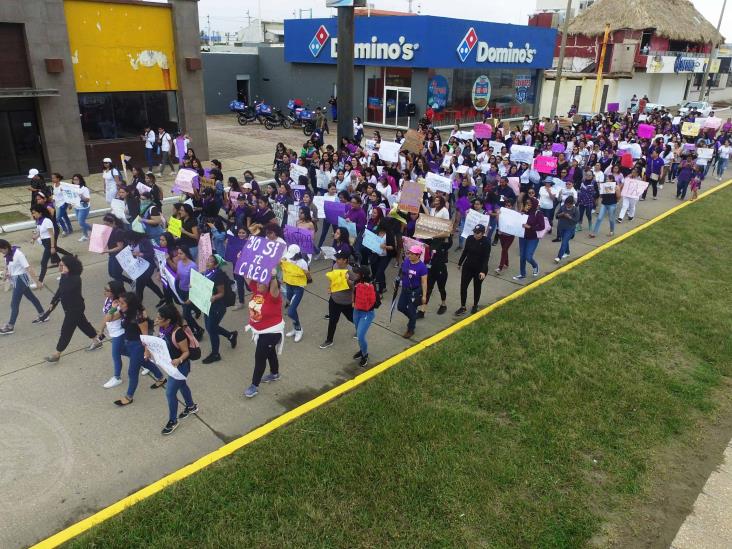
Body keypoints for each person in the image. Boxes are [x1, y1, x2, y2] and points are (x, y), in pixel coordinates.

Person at [148, 304, 199, 435]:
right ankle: (191, 406)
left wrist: (179, 360)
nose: (157, 319)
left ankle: (173, 421)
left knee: (170, 392)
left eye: (159, 318)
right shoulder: (162, 328)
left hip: (181, 366)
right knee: (182, 385)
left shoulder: (178, 333)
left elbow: (186, 352)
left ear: (168, 320)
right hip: (170, 365)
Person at [39, 255, 99, 363]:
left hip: (75, 308)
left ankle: (57, 354)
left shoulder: (75, 278)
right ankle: (97, 341)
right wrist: (53, 302)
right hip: (69, 307)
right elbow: (59, 290)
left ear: (70, 266)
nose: (60, 267)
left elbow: (64, 290)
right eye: (60, 265)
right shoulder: (65, 276)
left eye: (62, 265)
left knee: (66, 330)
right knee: (83, 324)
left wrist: (55, 302)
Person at [113, 292, 166, 406]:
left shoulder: (139, 317)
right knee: (142, 361)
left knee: (132, 372)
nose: (120, 305)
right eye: (119, 302)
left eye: (122, 303)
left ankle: (129, 397)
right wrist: (113, 309)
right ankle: (161, 378)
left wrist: (147, 351)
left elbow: (145, 336)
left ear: (130, 304)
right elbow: (110, 318)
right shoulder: (124, 312)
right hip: (128, 343)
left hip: (138, 345)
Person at [243, 269, 284, 399]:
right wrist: (243, 260)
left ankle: (254, 386)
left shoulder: (273, 296)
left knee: (260, 357)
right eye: (258, 282)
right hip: (261, 332)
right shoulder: (257, 290)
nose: (258, 284)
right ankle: (275, 373)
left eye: (262, 282)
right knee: (270, 352)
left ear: (268, 284)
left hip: (271, 333)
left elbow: (274, 285)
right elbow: (246, 275)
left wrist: (272, 276)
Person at [87, 280, 127, 389]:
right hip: (112, 331)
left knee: (116, 354)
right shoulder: (108, 299)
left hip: (119, 332)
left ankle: (117, 377)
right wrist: (101, 330)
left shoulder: (120, 304)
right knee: (125, 351)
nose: (104, 291)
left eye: (107, 290)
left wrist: (113, 308)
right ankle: (144, 361)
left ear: (114, 292)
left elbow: (110, 317)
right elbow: (106, 316)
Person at [0, 240, 45, 334]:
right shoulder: (8, 254)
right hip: (15, 279)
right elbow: (7, 266)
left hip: (21, 280)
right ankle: (43, 314)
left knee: (14, 303)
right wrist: (6, 274)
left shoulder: (18, 254)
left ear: (5, 247)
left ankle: (10, 326)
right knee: (31, 297)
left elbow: (28, 268)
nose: (1, 252)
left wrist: (37, 282)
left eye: (1, 250)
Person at [201, 254, 237, 364]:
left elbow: (221, 293)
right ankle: (230, 335)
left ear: (216, 265)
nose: (207, 263)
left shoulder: (218, 276)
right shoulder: (207, 272)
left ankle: (215, 354)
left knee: (212, 330)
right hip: (207, 305)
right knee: (210, 327)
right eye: (207, 260)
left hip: (217, 307)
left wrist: (214, 297)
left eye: (211, 261)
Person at [320, 251, 355, 349]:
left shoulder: (351, 271)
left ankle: (360, 329)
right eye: (337, 258)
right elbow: (333, 278)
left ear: (345, 260)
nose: (337, 260)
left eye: (339, 259)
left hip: (346, 302)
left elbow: (355, 286)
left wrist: (348, 281)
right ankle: (329, 340)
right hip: (334, 299)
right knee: (333, 320)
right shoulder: (335, 265)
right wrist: (331, 287)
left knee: (351, 318)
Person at [455, 224, 490, 316]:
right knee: (463, 286)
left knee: (477, 287)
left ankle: (475, 305)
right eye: (474, 232)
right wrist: (460, 263)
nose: (475, 234)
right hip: (468, 266)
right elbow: (465, 251)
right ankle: (463, 307)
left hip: (479, 268)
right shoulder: (470, 238)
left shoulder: (486, 242)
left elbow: (486, 258)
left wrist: (483, 271)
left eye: (477, 233)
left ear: (482, 233)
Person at [30, 205, 70, 285]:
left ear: (40, 213)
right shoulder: (39, 221)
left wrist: (52, 247)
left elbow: (52, 235)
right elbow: (39, 232)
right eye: (32, 213)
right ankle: (66, 273)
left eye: (34, 213)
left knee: (43, 263)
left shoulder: (47, 221)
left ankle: (40, 281)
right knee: (58, 261)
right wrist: (34, 238)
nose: (33, 215)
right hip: (45, 243)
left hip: (49, 243)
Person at [281, 244, 311, 343]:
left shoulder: (302, 263)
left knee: (290, 311)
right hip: (289, 286)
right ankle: (295, 328)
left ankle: (299, 330)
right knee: (292, 310)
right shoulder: (287, 258)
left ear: (298, 254)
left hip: (298, 289)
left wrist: (308, 276)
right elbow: (281, 263)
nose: (291, 257)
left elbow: (308, 277)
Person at [397, 245, 428, 339]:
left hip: (415, 292)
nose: (409, 255)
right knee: (400, 307)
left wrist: (424, 296)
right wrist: (398, 280)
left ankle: (411, 329)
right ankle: (412, 317)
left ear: (418, 255)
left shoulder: (422, 267)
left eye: (412, 254)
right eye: (409, 253)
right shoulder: (406, 261)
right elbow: (402, 272)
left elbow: (424, 282)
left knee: (411, 309)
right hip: (405, 289)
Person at [352, 266, 378, 367]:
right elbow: (353, 293)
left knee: (360, 335)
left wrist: (366, 288)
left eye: (357, 273)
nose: (355, 274)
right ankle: (362, 350)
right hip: (356, 311)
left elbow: (374, 301)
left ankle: (365, 355)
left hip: (367, 313)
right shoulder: (356, 282)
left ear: (362, 275)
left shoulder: (371, 285)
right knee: (359, 335)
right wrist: (353, 302)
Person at [513, 197, 544, 281]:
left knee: (528, 256)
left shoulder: (539, 214)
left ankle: (535, 265)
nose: (527, 206)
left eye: (529, 204)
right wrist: (521, 214)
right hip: (522, 237)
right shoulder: (525, 212)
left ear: (534, 205)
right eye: (527, 204)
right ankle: (522, 274)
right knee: (522, 256)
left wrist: (530, 227)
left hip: (533, 238)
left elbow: (542, 226)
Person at [554, 196, 580, 263]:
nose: (567, 206)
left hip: (569, 229)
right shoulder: (562, 207)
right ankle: (567, 252)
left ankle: (558, 257)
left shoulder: (575, 210)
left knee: (564, 242)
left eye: (569, 205)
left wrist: (569, 217)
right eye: (566, 204)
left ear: (572, 204)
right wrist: (561, 214)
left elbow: (576, 220)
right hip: (561, 227)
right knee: (565, 241)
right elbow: (556, 216)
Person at [50, 173, 73, 237]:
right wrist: (53, 199)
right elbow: (55, 194)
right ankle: (70, 229)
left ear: (58, 178)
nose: (52, 179)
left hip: (63, 203)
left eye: (54, 178)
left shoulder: (62, 186)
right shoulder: (54, 185)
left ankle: (65, 230)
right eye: (52, 178)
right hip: (58, 203)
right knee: (65, 217)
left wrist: (69, 204)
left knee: (58, 218)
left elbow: (67, 195)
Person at [72, 174, 92, 242]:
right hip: (77, 207)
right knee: (82, 222)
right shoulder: (73, 188)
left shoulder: (84, 189)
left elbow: (88, 200)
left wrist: (81, 197)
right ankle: (85, 236)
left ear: (80, 180)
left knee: (81, 222)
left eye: (77, 179)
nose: (75, 181)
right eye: (74, 179)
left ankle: (92, 229)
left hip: (84, 208)